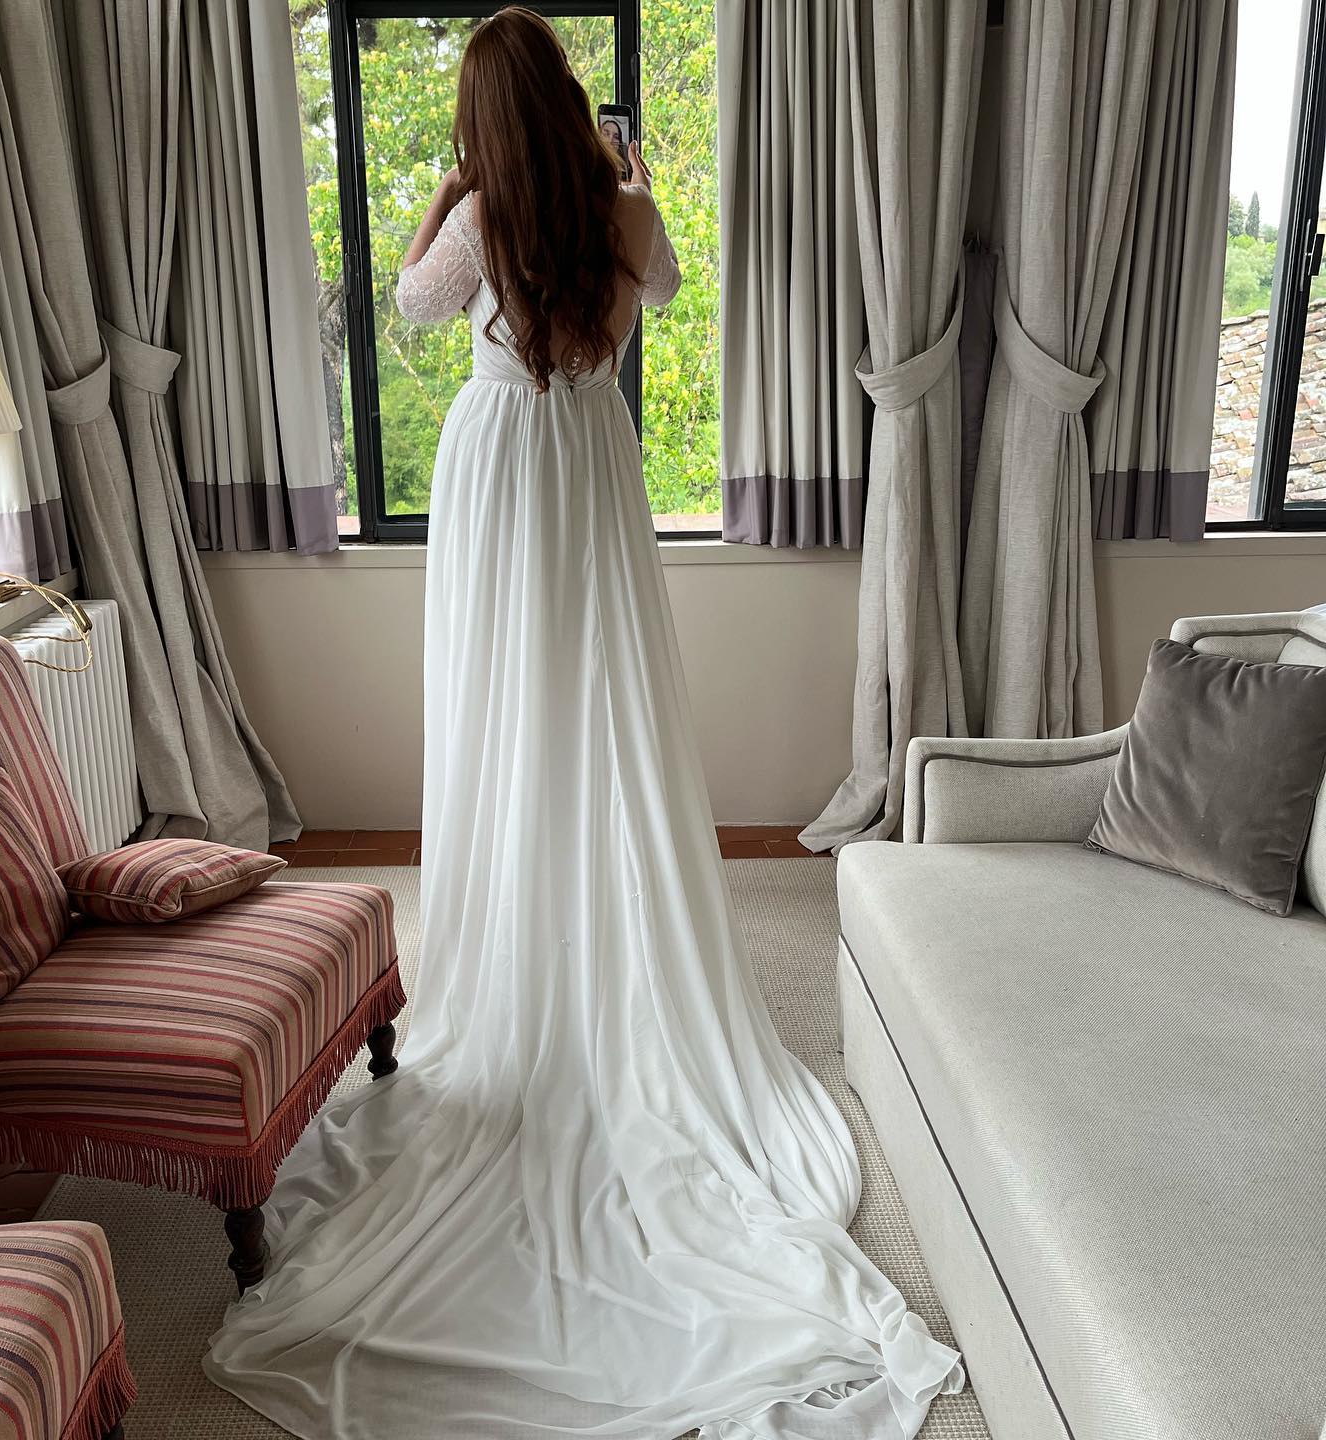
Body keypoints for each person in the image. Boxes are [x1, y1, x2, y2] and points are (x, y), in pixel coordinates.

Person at [204, 9, 961, 1438]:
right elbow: (665, 286)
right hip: (589, 472)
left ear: (484, 120)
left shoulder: (479, 211)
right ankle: (608, 918)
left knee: (508, 706)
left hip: (500, 470)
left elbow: (420, 308)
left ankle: (521, 920)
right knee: (599, 700)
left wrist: (444, 189)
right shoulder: (623, 211)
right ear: (565, 99)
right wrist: (625, 170)